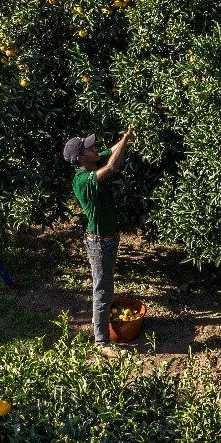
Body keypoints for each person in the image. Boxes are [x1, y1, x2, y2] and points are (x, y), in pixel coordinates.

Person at [64, 128, 134, 349]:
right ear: (81, 158)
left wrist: (127, 138)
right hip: (100, 244)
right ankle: (101, 341)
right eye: (90, 148)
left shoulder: (91, 163)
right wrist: (124, 138)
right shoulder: (83, 181)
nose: (96, 149)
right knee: (103, 290)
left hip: (107, 239)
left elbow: (110, 152)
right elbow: (112, 166)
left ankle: (98, 322)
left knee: (104, 285)